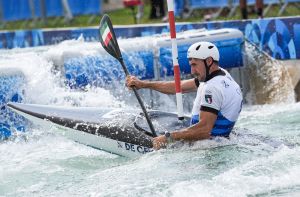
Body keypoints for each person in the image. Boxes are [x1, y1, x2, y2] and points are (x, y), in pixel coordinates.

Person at [126, 41, 243, 150]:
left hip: (206, 148)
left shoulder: (212, 88)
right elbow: (179, 87)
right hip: (221, 142)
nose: (192, 71)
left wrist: (168, 138)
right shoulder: (221, 75)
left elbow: (204, 130)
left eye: (195, 65)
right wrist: (143, 84)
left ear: (208, 61)